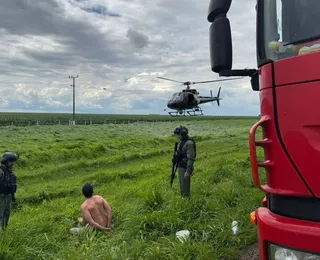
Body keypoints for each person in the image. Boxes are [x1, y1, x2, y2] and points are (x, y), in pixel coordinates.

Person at [173, 126, 196, 198]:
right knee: (182, 185)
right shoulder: (183, 142)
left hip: (185, 167)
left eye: (178, 135)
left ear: (182, 134)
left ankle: (187, 202)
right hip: (181, 166)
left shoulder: (189, 143)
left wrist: (188, 171)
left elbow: (191, 158)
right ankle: (184, 199)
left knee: (185, 187)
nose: (177, 136)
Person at [0, 152, 18, 230]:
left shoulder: (9, 171)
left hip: (8, 197)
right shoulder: (1, 171)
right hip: (1, 197)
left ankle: (4, 234)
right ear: (5, 161)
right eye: (11, 161)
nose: (12, 164)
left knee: (6, 215)